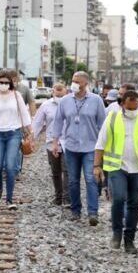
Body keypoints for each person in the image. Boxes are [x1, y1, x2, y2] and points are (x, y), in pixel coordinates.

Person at [94, 90, 138, 254]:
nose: (134, 111)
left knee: (134, 204)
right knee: (118, 198)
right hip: (117, 168)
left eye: (136, 107)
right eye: (130, 108)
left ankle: (129, 240)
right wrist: (97, 166)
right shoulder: (112, 118)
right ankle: (116, 233)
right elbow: (100, 144)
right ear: (122, 104)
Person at [52, 71, 106, 225]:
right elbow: (58, 122)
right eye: (73, 80)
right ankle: (76, 210)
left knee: (91, 179)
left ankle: (93, 213)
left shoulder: (96, 100)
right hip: (71, 146)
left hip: (91, 146)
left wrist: (104, 147)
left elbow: (103, 125)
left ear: (85, 84)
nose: (74, 84)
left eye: (77, 81)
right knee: (73, 180)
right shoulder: (65, 101)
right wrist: (55, 142)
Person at [0, 70, 32, 209]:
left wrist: (29, 131)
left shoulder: (16, 96)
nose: (3, 85)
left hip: (14, 134)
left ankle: (9, 199)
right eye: (1, 82)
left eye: (6, 83)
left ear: (10, 84)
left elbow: (24, 114)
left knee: (10, 167)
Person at [32, 83, 70, 206]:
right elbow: (38, 123)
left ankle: (67, 198)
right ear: (52, 91)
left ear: (66, 91)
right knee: (56, 171)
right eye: (56, 90)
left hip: (68, 142)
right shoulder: (46, 105)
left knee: (67, 169)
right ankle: (58, 197)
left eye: (61, 90)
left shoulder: (71, 104)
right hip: (51, 143)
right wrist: (32, 138)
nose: (58, 93)